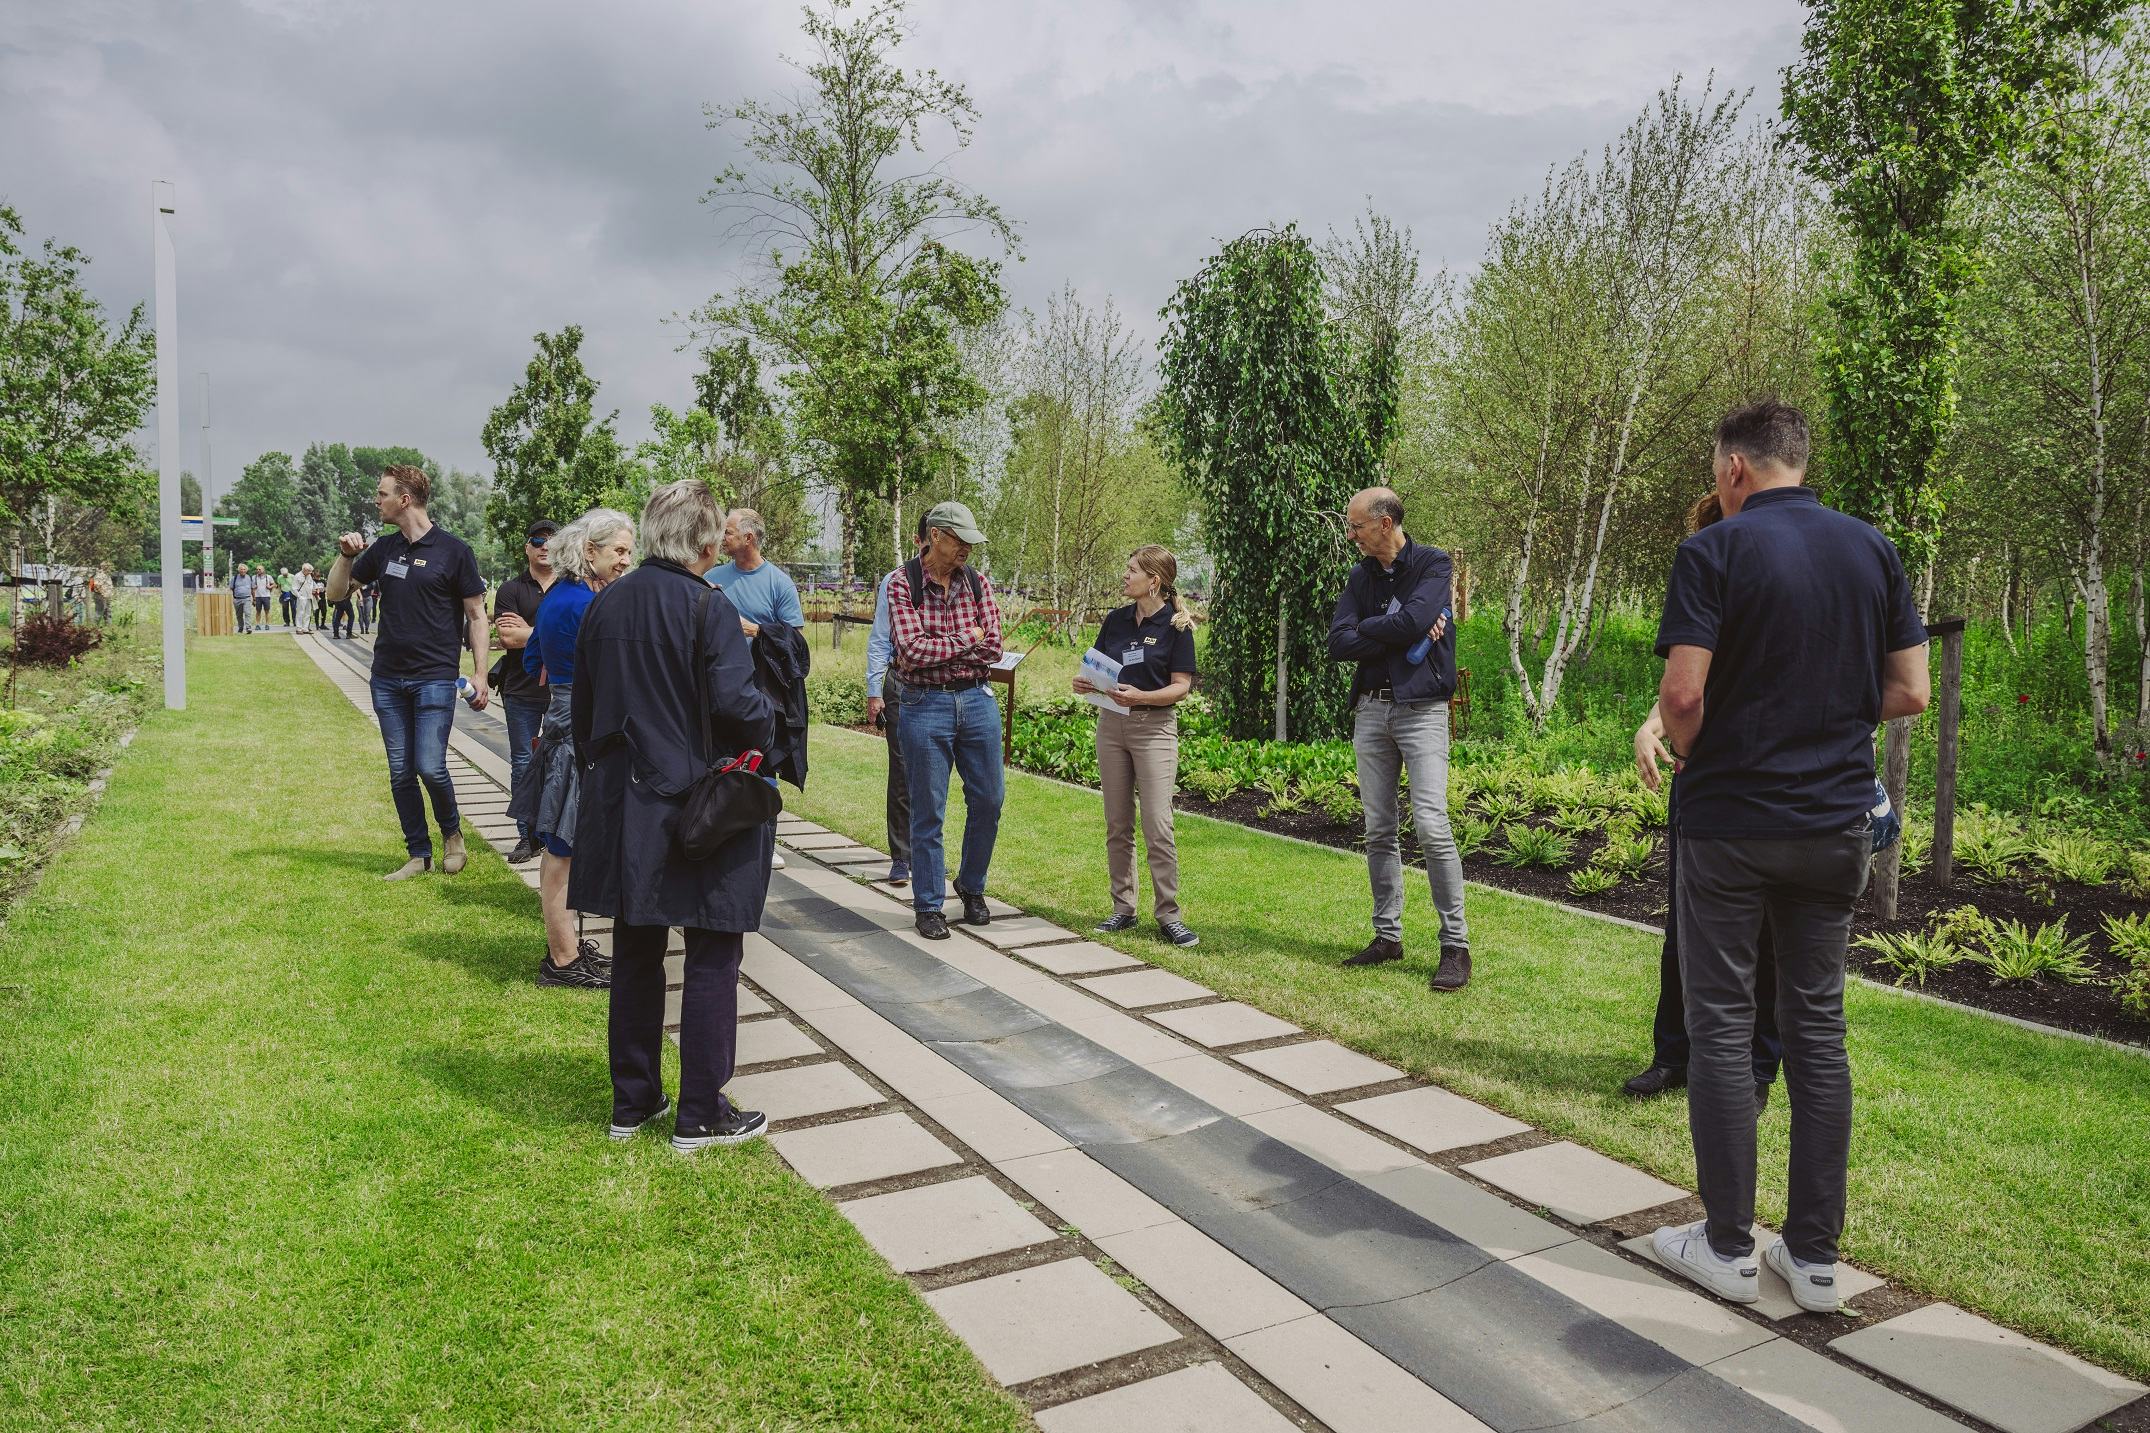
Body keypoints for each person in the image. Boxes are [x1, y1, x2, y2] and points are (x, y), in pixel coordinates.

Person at [1647, 401, 1929, 1315]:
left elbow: (1683, 691)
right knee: (1818, 1031)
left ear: (1734, 468)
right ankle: (1812, 1261)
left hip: (1730, 822)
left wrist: (1700, 743)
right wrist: (1825, 714)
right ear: (1796, 463)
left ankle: (1727, 1243)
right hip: (1836, 826)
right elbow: (1910, 691)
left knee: (1723, 1025)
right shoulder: (1873, 549)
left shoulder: (1712, 553)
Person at [570, 478, 777, 1151]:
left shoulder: (605, 605)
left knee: (636, 947)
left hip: (623, 800)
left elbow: (583, 714)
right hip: (694, 806)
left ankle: (633, 1101)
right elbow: (739, 709)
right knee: (714, 945)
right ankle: (701, 1111)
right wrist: (770, 721)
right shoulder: (706, 606)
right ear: (708, 541)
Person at [1625, 490, 1783, 1107]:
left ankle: (1757, 1066)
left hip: (1760, 784)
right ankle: (1673, 1054)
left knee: (1764, 930)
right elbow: (1684, 688)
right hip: (1704, 783)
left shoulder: (1775, 595)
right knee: (1684, 924)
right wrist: (1651, 727)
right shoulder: (1708, 581)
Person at [1327, 486, 1470, 992]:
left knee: (1432, 824)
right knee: (1378, 828)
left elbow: (1414, 621)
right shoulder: (1359, 576)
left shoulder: (1432, 565)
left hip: (1422, 710)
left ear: (1384, 524)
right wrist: (1393, 628)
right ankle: (1387, 938)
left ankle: (1455, 946)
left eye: (1357, 526)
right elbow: (1339, 641)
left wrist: (1381, 627)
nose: (1352, 536)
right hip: (1371, 710)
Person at [325, 462, 491, 881]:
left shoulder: (455, 552)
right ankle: (419, 853)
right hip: (387, 679)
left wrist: (481, 674)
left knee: (430, 765)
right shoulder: (382, 550)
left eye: (381, 494)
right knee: (400, 771)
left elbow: (476, 616)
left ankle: (452, 835)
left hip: (435, 676)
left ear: (405, 498)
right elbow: (335, 594)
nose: (376, 501)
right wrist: (347, 557)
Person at [509, 510, 631, 989]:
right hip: (579, 730)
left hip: (563, 721)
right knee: (561, 847)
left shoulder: (559, 596)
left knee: (565, 844)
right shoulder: (585, 603)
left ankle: (568, 950)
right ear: (588, 551)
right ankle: (562, 959)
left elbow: (534, 656)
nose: (626, 560)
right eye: (618, 550)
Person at [887, 501, 1005, 941]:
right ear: (936, 535)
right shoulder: (901, 584)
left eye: (971, 542)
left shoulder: (979, 585)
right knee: (928, 810)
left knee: (989, 800)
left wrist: (950, 642)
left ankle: (971, 887)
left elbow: (992, 647)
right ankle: (929, 905)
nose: (967, 551)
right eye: (960, 541)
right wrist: (967, 638)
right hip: (923, 704)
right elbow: (912, 652)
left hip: (977, 700)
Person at [1073, 546, 1200, 947]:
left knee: (1158, 826)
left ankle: (1169, 915)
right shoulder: (1115, 620)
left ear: (1154, 581)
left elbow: (1181, 686)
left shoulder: (1176, 627)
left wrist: (1141, 698)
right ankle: (1123, 909)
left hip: (1153, 730)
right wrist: (1085, 683)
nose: (1124, 576)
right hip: (1111, 725)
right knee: (1117, 823)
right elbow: (1097, 666)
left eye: (1131, 571)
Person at [706, 507, 806, 872]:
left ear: (748, 538)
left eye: (728, 532)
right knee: (720, 763)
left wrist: (756, 630)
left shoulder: (778, 583)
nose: (722, 537)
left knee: (763, 763)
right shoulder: (713, 578)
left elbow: (795, 642)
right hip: (718, 688)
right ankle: (718, 834)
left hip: (762, 692)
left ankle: (765, 840)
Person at [865, 516, 930, 887]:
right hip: (901, 686)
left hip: (942, 689)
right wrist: (875, 691)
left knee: (934, 777)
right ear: (920, 539)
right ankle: (901, 857)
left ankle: (927, 853)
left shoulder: (964, 581)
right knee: (903, 772)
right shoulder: (896, 581)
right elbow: (879, 639)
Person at [492, 519, 558, 864]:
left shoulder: (572, 585)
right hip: (520, 690)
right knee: (523, 763)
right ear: (527, 547)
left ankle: (557, 835)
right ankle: (526, 836)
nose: (544, 545)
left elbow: (579, 635)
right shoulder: (510, 589)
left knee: (563, 763)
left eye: (551, 540)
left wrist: (529, 631)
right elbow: (508, 639)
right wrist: (552, 633)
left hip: (564, 689)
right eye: (537, 540)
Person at [230, 563, 254, 633]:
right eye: (241, 569)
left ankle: (248, 628)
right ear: (239, 570)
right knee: (239, 615)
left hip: (247, 598)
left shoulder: (249, 577)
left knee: (247, 613)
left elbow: (252, 588)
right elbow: (231, 588)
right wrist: (232, 598)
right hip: (237, 599)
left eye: (244, 569)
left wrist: (254, 598)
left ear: (246, 570)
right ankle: (240, 628)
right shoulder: (234, 578)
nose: (243, 571)